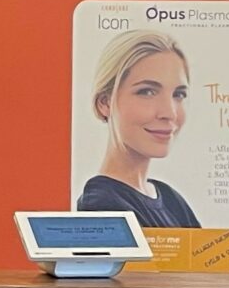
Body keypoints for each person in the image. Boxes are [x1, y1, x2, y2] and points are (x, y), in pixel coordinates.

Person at [78, 30, 201, 229]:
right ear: (105, 102)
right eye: (147, 92)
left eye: (178, 94)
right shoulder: (103, 204)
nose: (169, 112)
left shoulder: (170, 199)